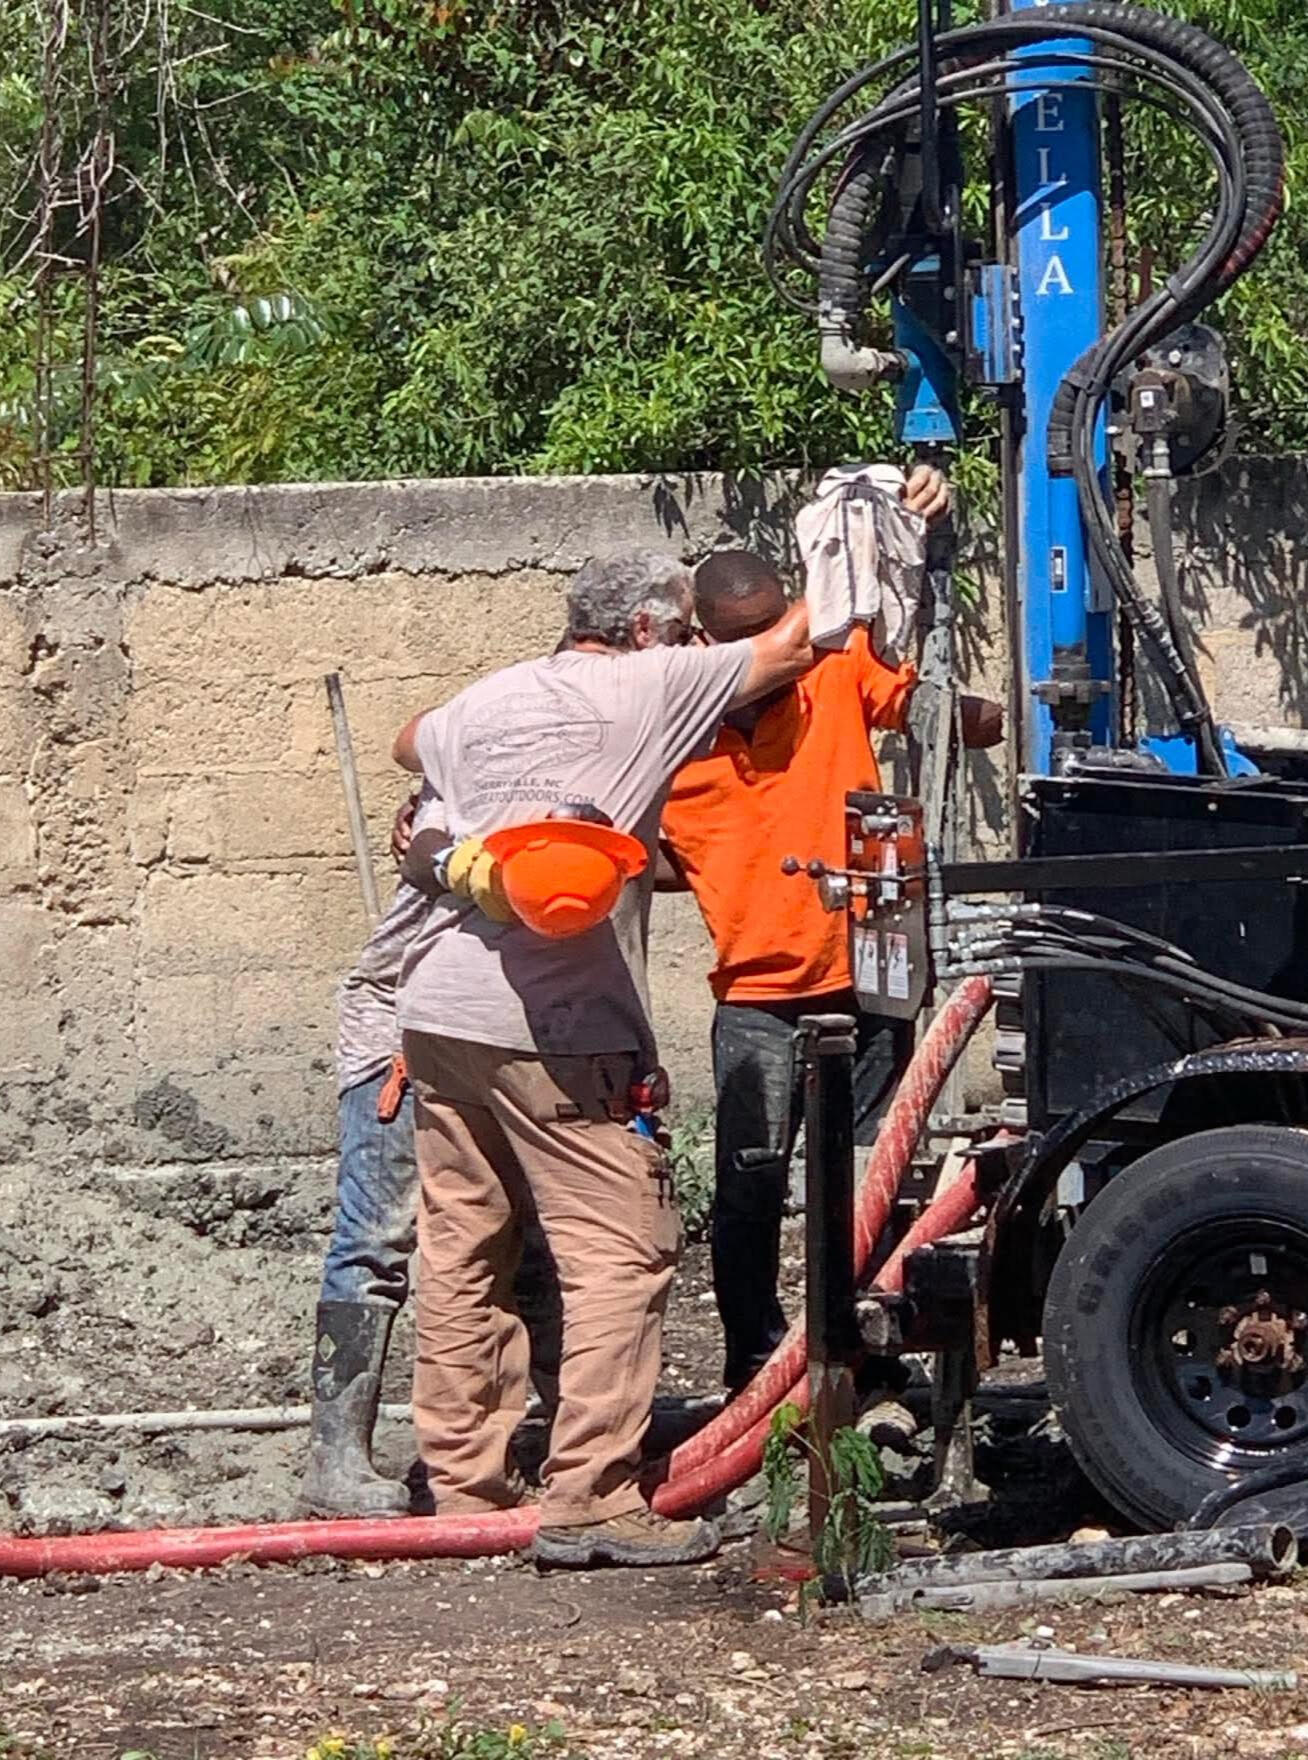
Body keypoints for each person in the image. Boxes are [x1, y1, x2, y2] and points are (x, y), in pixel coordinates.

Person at [392, 548, 813, 1568]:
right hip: (562, 1024)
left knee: (462, 1249)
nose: (691, 646)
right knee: (621, 1249)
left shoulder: (488, 696)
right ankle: (592, 1491)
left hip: (441, 1012)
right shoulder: (650, 679)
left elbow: (411, 743)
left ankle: (463, 1486)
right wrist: (868, 514)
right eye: (681, 631)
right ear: (643, 630)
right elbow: (795, 641)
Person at [659, 468, 1002, 1393]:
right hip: (758, 998)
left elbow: (936, 712)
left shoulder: (836, 668)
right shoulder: (668, 726)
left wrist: (1002, 713)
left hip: (866, 970)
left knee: (874, 1179)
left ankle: (868, 1352)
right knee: (750, 1184)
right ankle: (752, 1362)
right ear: (701, 643)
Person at [300, 786, 561, 1520]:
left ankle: (581, 1439)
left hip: (492, 1040)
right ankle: (336, 1461)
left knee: (532, 1240)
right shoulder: (469, 800)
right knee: (377, 1240)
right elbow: (426, 855)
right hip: (402, 1035)